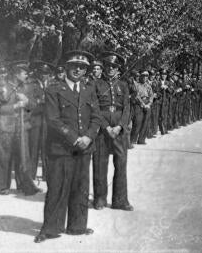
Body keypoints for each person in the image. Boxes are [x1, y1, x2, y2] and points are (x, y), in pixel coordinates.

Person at [35, 50, 101, 243]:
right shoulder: (54, 89)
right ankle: (50, 229)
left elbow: (96, 117)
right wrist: (75, 138)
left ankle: (77, 226)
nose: (78, 70)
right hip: (62, 148)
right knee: (57, 188)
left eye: (82, 68)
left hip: (85, 147)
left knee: (80, 188)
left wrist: (88, 137)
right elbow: (53, 120)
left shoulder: (89, 89)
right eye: (74, 66)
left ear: (86, 70)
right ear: (67, 68)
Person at [0, 60, 42, 196]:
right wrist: (14, 106)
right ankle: (2, 186)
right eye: (24, 73)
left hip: (22, 127)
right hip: (5, 127)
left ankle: (25, 185)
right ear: (16, 73)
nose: (27, 75)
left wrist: (26, 102)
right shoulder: (2, 86)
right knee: (4, 156)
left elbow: (33, 106)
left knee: (24, 157)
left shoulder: (26, 87)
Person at [91, 51, 133, 211]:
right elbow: (94, 108)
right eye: (108, 66)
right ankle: (100, 199)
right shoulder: (96, 85)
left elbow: (127, 108)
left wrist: (120, 126)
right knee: (100, 163)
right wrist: (106, 127)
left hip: (119, 129)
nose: (110, 69)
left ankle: (120, 200)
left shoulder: (123, 85)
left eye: (114, 66)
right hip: (103, 129)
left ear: (118, 69)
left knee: (121, 164)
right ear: (104, 67)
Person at [28, 61, 54, 181]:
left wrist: (42, 101)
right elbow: (31, 103)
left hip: (48, 121)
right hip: (36, 119)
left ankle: (46, 174)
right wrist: (41, 102)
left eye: (46, 73)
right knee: (34, 147)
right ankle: (31, 174)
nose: (44, 75)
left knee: (47, 147)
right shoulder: (32, 84)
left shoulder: (53, 84)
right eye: (42, 73)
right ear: (38, 73)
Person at [131, 70, 152, 145]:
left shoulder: (148, 86)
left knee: (145, 122)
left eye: (146, 76)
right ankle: (133, 140)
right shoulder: (136, 85)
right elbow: (137, 96)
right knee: (137, 122)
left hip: (147, 104)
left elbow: (151, 95)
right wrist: (142, 104)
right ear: (140, 76)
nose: (145, 77)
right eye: (143, 76)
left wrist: (149, 103)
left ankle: (141, 140)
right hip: (139, 104)